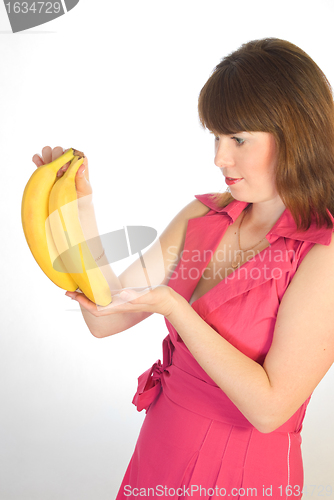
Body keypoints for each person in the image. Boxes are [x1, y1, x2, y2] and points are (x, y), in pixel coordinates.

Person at [33, 37, 334, 499]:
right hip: (162, 446)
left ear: (296, 134)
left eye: (238, 139)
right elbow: (106, 315)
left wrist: (176, 308)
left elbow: (270, 409)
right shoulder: (202, 216)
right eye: (215, 136)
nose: (220, 158)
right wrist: (79, 210)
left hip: (244, 474)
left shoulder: (321, 253)